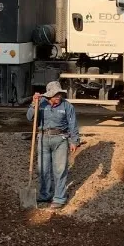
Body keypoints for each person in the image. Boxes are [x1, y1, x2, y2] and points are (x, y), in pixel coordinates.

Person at [26, 81, 81, 209]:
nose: (59, 97)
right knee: (43, 169)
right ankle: (45, 194)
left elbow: (73, 124)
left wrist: (74, 141)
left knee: (60, 169)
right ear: (49, 96)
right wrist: (34, 104)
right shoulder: (40, 104)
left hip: (61, 139)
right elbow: (29, 118)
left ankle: (59, 198)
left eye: (60, 94)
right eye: (56, 95)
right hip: (43, 138)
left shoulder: (67, 106)